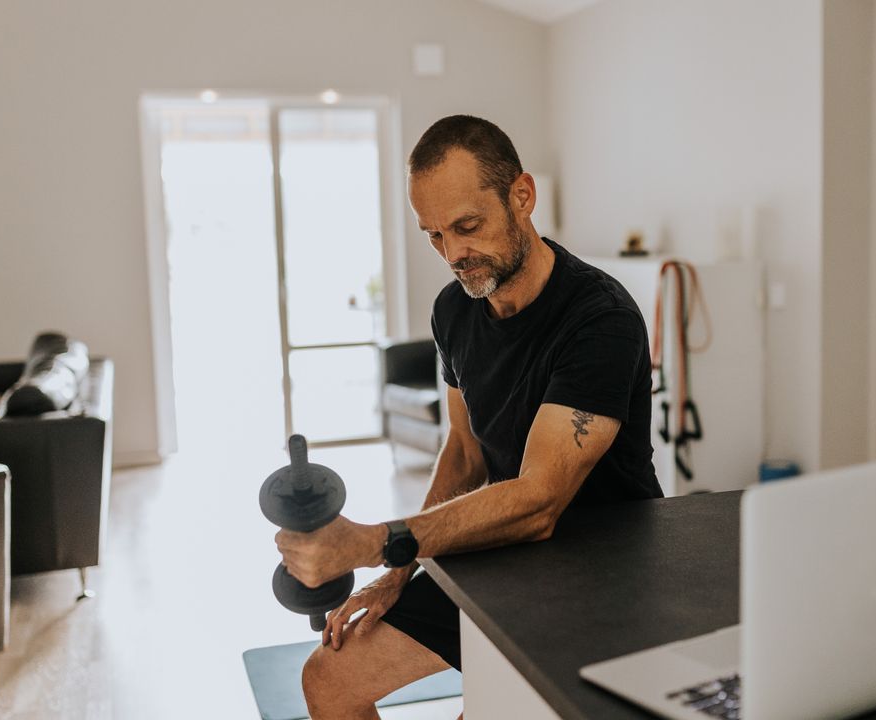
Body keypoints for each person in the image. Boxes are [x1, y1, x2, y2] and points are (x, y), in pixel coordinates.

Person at [275, 114, 661, 719]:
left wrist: (377, 541)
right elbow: (463, 450)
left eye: (467, 226)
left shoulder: (600, 319)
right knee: (328, 678)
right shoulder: (454, 310)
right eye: (434, 235)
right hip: (502, 551)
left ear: (522, 197)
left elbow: (538, 501)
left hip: (602, 572)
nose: (454, 253)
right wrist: (401, 567)